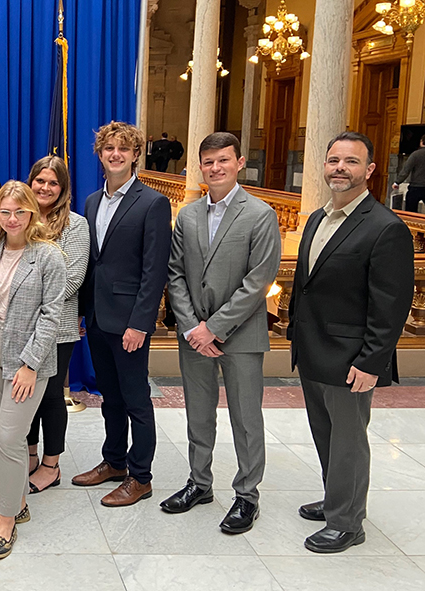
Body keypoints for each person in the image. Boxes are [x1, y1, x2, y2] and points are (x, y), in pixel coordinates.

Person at [288, 131, 414, 553]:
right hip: (312, 349)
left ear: (371, 171)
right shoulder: (316, 218)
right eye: (333, 160)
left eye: (351, 162)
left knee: (348, 443)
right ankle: (334, 499)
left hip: (351, 358)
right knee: (325, 435)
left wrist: (372, 361)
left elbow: (391, 305)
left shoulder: (385, 228)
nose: (340, 168)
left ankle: (347, 522)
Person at [163, 132, 281, 534]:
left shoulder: (260, 214)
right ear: (200, 166)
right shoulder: (189, 214)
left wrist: (214, 328)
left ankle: (247, 495)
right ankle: (199, 482)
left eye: (223, 161)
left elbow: (258, 280)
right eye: (208, 162)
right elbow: (175, 274)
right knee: (198, 412)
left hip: (241, 336)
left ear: (239, 162)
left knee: (245, 418)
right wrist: (193, 327)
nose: (215, 168)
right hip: (194, 333)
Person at [71, 121, 171, 507]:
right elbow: (92, 264)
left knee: (135, 400)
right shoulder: (93, 201)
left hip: (129, 321)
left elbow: (154, 269)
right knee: (108, 396)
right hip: (97, 317)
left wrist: (140, 324)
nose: (115, 155)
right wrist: (83, 312)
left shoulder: (152, 202)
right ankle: (113, 462)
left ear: (134, 156)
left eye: (123, 150)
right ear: (100, 155)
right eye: (108, 149)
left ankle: (140, 477)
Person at [0, 180, 65, 560]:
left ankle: (6, 520)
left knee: (8, 439)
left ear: (32, 213)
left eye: (19, 211)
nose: (12, 219)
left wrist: (29, 365)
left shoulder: (48, 256)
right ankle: (19, 501)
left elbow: (51, 315)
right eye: (4, 212)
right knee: (4, 435)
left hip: (28, 360)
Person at [24, 156, 90, 494]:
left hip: (58, 326)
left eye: (52, 183)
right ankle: (31, 456)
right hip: (21, 328)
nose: (45, 188)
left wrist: (28, 300)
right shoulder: (21, 219)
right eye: (40, 181)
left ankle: (52, 465)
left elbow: (74, 276)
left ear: (62, 189)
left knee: (50, 395)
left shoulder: (76, 226)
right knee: (26, 395)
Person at [393, 134, 425, 213]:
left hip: (415, 187)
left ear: (421, 142)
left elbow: (406, 170)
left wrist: (397, 182)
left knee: (410, 212)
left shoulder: (415, 154)